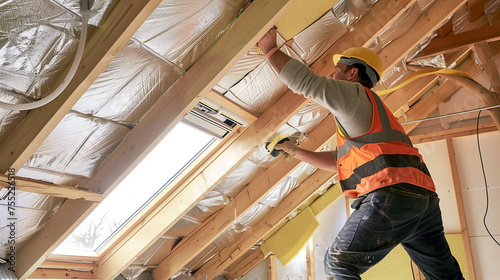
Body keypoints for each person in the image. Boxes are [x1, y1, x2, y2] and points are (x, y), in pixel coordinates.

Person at [258, 28, 464, 280]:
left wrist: (270, 50)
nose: (331, 75)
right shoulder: (373, 115)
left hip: (392, 194)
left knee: (339, 263)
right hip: (423, 202)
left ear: (353, 73)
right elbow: (339, 161)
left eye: (336, 70)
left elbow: (308, 83)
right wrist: (294, 150)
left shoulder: (354, 95)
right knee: (445, 276)